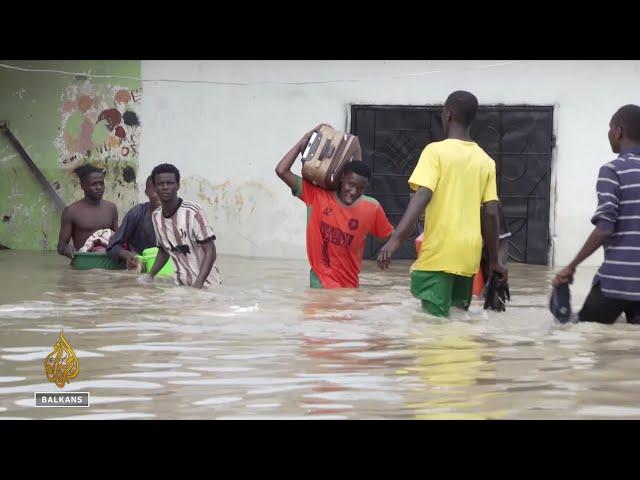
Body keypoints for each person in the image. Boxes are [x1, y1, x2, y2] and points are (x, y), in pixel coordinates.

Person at [376, 91, 507, 317]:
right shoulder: (486, 161)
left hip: (439, 253)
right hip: (468, 257)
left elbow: (422, 195)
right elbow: (491, 212)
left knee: (432, 324)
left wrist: (395, 239)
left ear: (448, 115)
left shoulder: (435, 152)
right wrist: (495, 261)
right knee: (457, 319)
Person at [276, 124, 394, 288]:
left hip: (350, 289)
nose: (353, 192)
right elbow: (282, 171)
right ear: (342, 178)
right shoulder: (316, 196)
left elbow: (391, 236)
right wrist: (304, 139)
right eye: (351, 184)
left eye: (361, 188)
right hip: (320, 286)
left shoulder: (371, 207)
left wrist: (389, 247)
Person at [553, 104, 640, 324]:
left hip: (616, 281)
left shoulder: (612, 171)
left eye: (610, 128)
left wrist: (571, 266)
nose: (609, 133)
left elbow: (604, 229)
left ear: (619, 131)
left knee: (581, 334)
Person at [147, 163, 221, 289]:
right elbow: (164, 251)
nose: (165, 187)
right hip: (181, 287)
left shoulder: (193, 212)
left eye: (170, 183)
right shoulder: (156, 216)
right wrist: (150, 277)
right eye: (160, 184)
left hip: (207, 287)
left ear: (178, 185)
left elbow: (210, 251)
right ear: (154, 187)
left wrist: (197, 285)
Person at [56, 165, 118, 260]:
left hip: (106, 262)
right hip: (83, 265)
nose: (99, 187)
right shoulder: (71, 211)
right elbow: (61, 246)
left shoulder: (111, 208)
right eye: (94, 184)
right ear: (82, 186)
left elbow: (118, 240)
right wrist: (67, 249)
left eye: (101, 183)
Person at [106, 175, 161, 270]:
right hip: (140, 268)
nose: (161, 193)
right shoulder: (137, 213)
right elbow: (112, 247)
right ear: (146, 192)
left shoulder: (181, 216)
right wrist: (127, 255)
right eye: (156, 189)